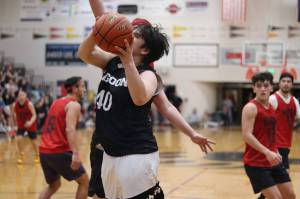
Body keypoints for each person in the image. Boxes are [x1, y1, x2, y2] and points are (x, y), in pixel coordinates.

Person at [78, 1, 215, 198]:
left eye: (135, 33)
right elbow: (84, 51)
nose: (128, 33)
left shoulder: (149, 75)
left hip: (135, 150)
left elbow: (150, 101)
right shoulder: (111, 61)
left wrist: (191, 133)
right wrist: (98, 29)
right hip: (107, 148)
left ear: (144, 49)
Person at [241, 72, 295, 199]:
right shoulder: (251, 108)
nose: (263, 89)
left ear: (271, 88)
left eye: (266, 85)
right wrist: (267, 152)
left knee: (290, 195)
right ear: (254, 88)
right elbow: (246, 135)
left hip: (273, 160)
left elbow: (270, 134)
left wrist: (275, 150)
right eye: (259, 86)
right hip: (256, 164)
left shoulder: (271, 107)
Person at [38, 76, 89, 199]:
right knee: (85, 182)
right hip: (58, 151)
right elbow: (70, 129)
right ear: (74, 88)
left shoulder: (56, 102)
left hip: (44, 151)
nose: (85, 89)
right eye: (82, 86)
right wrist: (75, 154)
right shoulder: (74, 105)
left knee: (54, 185)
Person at [270, 72, 300, 170]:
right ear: (279, 83)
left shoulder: (294, 101)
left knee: (280, 178)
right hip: (274, 144)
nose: (286, 83)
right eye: (283, 81)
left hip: (286, 144)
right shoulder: (273, 99)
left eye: (288, 81)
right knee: (283, 177)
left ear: (292, 85)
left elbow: (298, 118)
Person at [12, 90, 39, 164]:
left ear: (26, 96)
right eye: (19, 95)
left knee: (33, 141)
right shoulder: (15, 105)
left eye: (22, 95)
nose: (21, 97)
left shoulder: (29, 104)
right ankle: (21, 154)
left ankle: (37, 155)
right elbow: (13, 115)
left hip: (30, 124)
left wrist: (30, 122)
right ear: (17, 97)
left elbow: (34, 115)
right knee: (18, 139)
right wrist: (14, 125)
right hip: (21, 124)